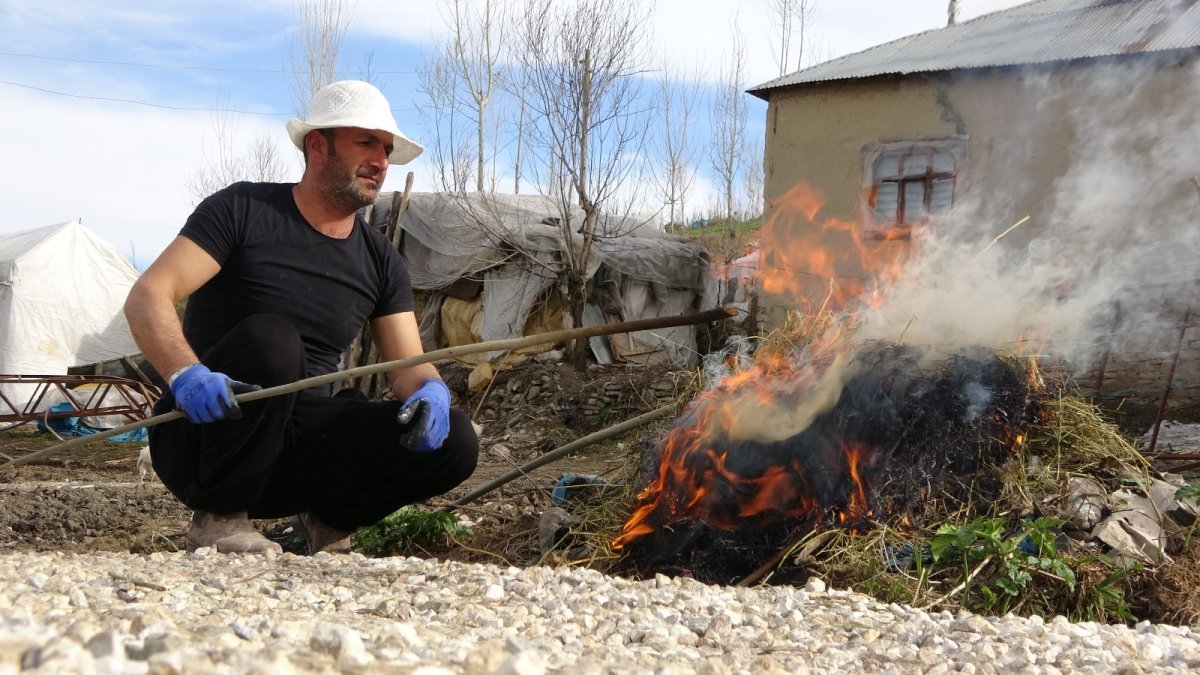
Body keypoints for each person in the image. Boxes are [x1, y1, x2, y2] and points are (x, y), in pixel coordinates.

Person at [124, 80, 479, 555]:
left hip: (295, 457)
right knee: (273, 339)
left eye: (387, 149)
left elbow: (407, 366)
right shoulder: (242, 210)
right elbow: (148, 294)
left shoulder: (380, 259)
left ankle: (326, 521)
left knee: (456, 442)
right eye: (367, 142)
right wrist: (186, 374)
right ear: (317, 144)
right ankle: (220, 517)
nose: (381, 160)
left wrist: (431, 390)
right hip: (204, 437)